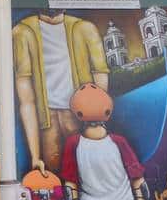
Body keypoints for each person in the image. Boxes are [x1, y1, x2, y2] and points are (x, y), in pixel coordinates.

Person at [13, 9, 109, 174]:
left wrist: (96, 123)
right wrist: (35, 156)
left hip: (81, 118)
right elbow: (26, 100)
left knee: (89, 174)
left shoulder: (85, 28)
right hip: (48, 122)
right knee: (55, 175)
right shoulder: (22, 32)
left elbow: (100, 83)